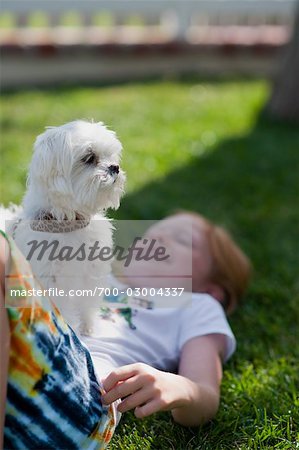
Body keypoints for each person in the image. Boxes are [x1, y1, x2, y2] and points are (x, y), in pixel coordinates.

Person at [0, 211, 251, 448]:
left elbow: (205, 393)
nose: (157, 236)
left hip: (83, 398)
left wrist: (179, 388)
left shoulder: (197, 305)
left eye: (182, 240)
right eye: (154, 231)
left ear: (211, 290)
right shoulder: (98, 275)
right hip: (24, 362)